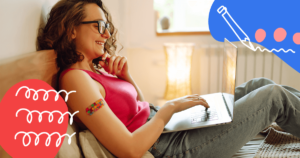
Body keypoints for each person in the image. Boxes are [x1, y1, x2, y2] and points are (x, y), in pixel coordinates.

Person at [37, 0, 300, 157]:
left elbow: (136, 111)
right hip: (169, 148)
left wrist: (127, 78)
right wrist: (170, 108)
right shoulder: (74, 80)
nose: (106, 34)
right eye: (99, 25)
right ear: (71, 29)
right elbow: (129, 149)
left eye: (107, 27)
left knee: (259, 85)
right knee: (272, 97)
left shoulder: (94, 72)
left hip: (164, 127)